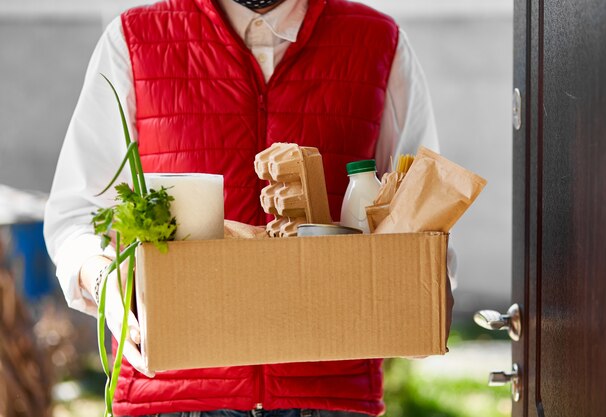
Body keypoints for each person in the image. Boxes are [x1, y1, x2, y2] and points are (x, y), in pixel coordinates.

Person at [44, 0, 456, 416]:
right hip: (173, 394)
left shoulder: (378, 42)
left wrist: (427, 290)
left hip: (329, 395)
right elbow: (77, 211)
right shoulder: (134, 39)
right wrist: (104, 280)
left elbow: (419, 205)